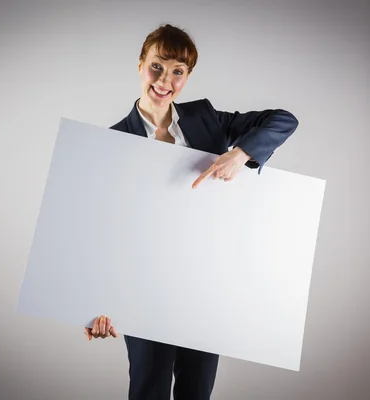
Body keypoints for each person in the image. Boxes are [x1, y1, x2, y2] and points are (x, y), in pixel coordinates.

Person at [83, 23, 299, 400]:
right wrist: (95, 305)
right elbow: (102, 232)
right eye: (157, 66)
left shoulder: (206, 119)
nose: (165, 80)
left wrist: (240, 153)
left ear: (187, 77)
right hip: (144, 291)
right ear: (140, 64)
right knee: (148, 391)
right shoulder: (113, 142)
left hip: (203, 287)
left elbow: (284, 120)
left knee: (197, 393)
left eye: (177, 71)